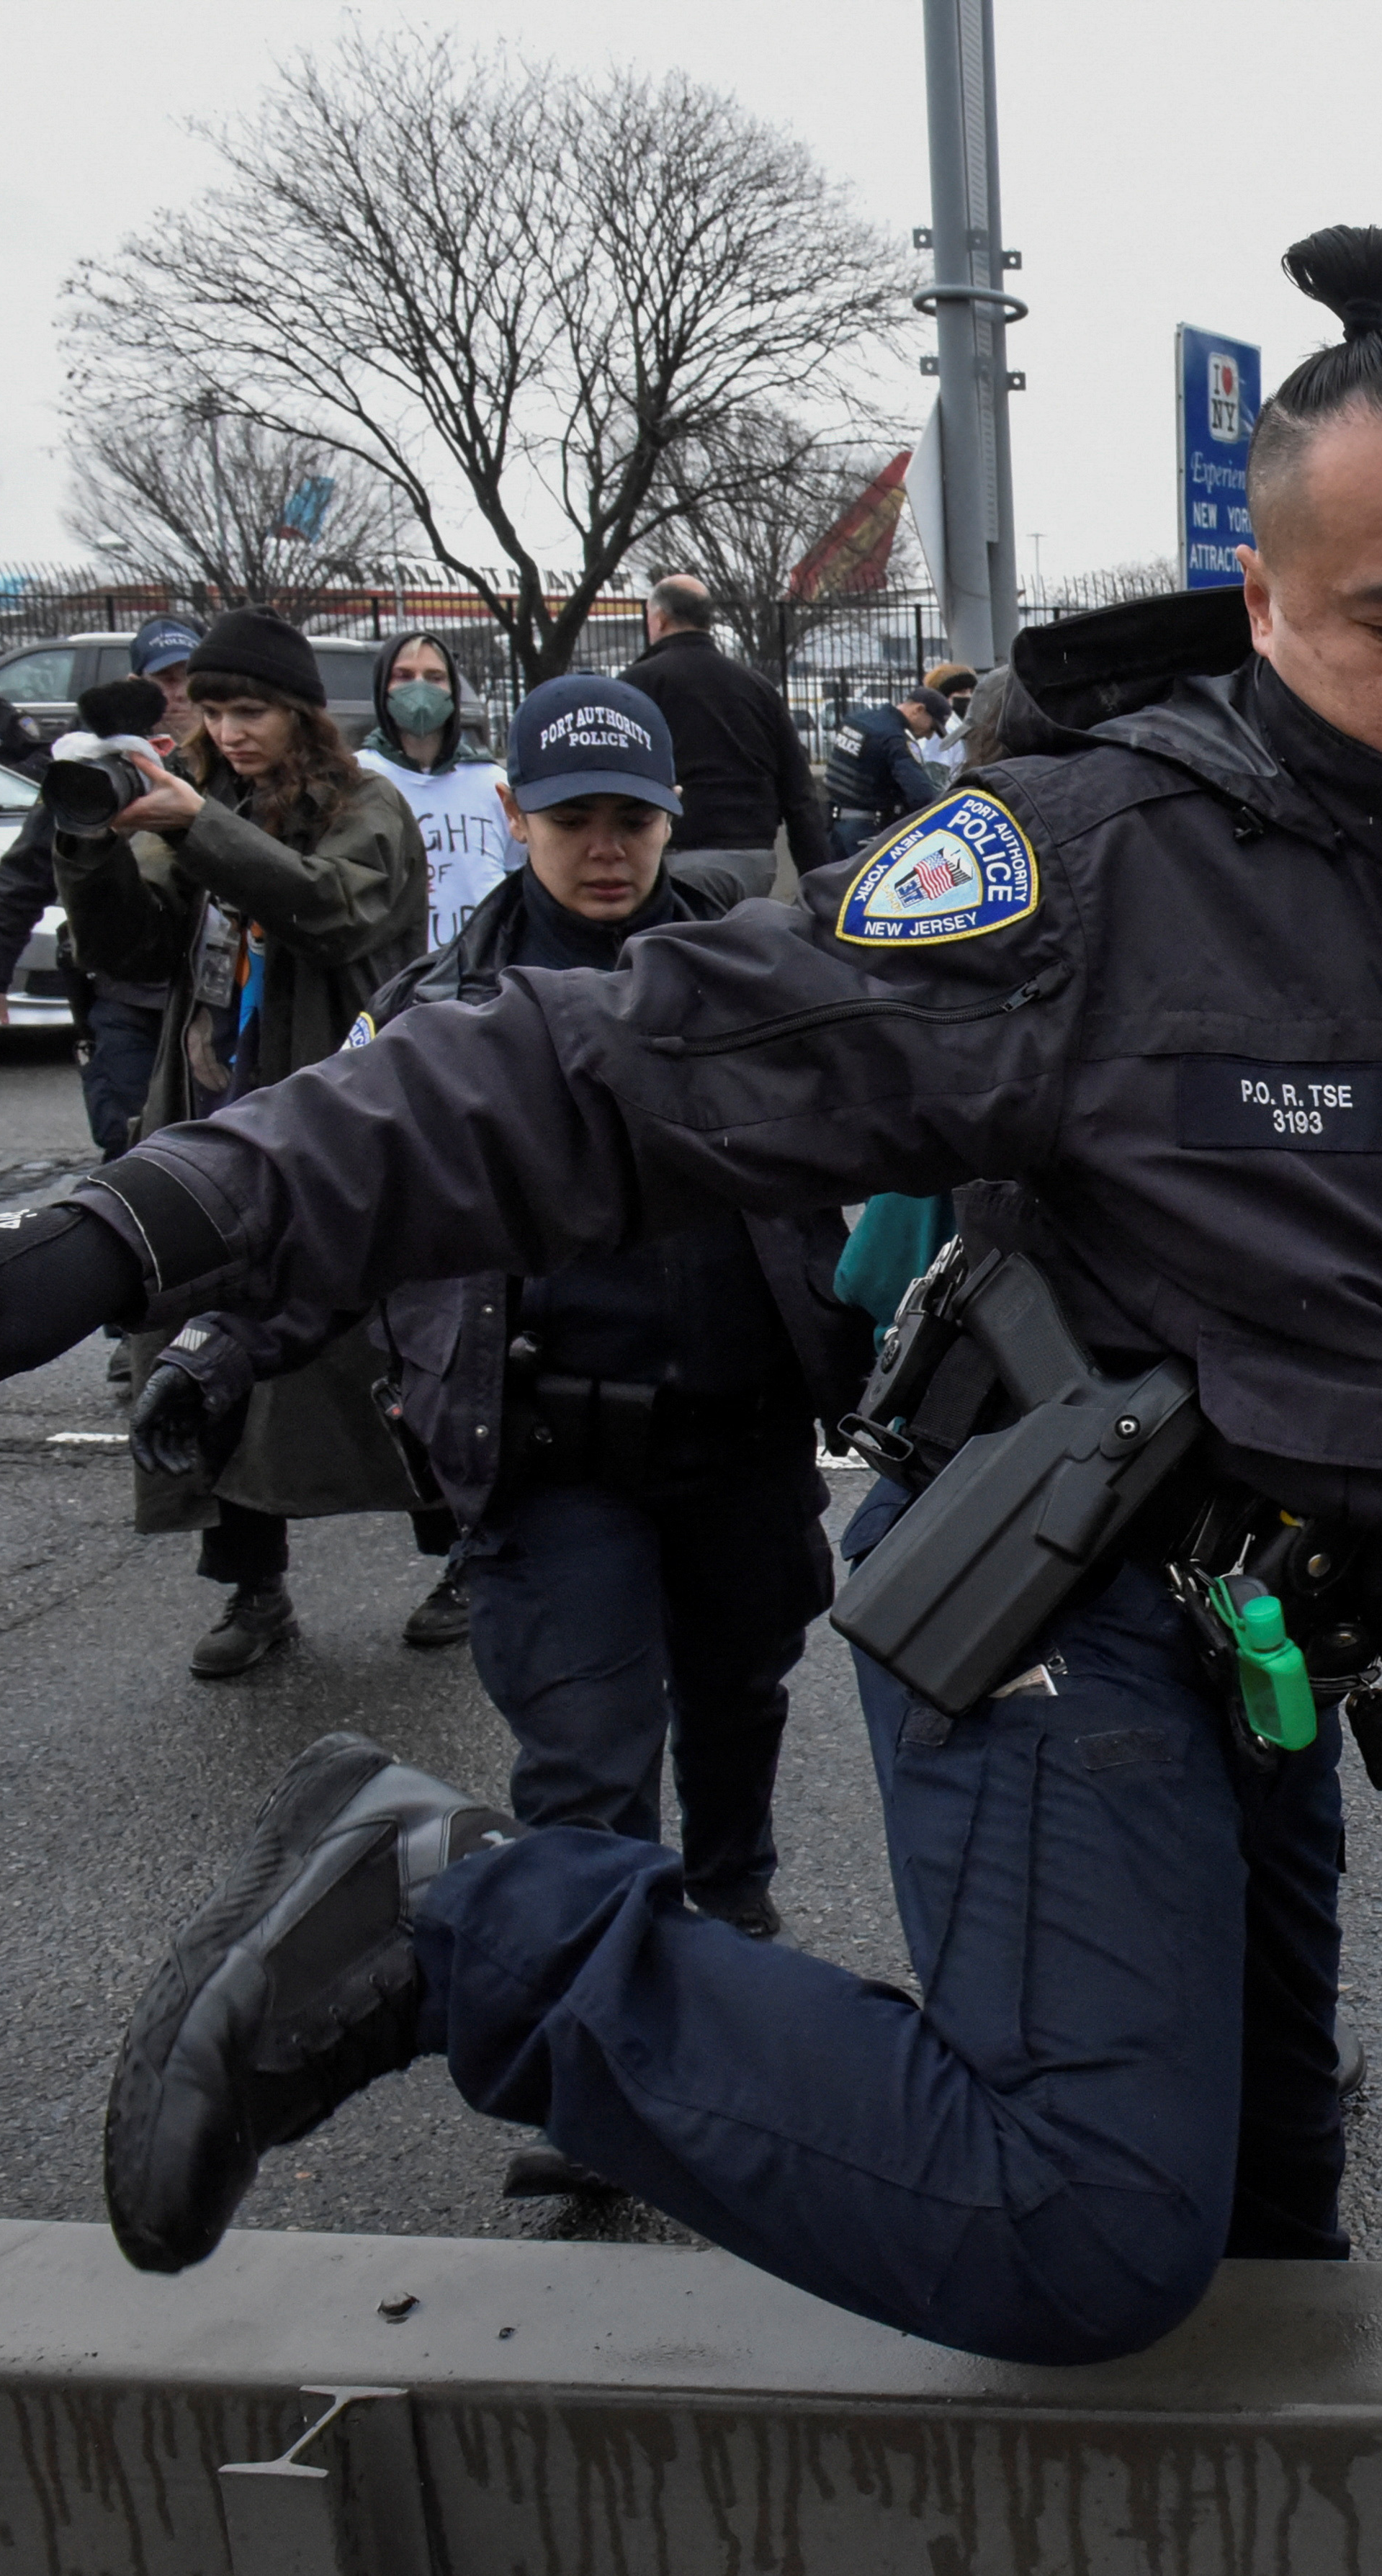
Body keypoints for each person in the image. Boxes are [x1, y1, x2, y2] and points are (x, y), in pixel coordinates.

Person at [0, 225, 1382, 2366]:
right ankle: (462, 1911)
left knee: (1263, 2232)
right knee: (1086, 2225)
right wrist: (127, 1228)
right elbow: (585, 1070)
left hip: (1286, 1636)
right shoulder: (1083, 868)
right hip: (1068, 1598)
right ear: (1267, 608)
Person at [279, 676, 860, 2196]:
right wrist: (226, 1336)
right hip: (547, 1452)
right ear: (519, 817)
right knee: (588, 1765)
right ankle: (601, 2069)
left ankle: (726, 1945)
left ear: (673, 820)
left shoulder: (755, 976)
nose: (607, 849)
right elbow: (329, 1192)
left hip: (736, 1430)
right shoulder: (436, 1011)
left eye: (633, 819)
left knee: (740, 1698)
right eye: (575, 819)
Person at [42, 606, 455, 1677]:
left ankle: (464, 1554)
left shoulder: (367, 804)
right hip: (214, 1111)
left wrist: (193, 827)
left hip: (340, 1110)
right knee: (200, 1346)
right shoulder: (204, 800)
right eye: (215, 708)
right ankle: (251, 1586)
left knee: (387, 1349)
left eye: (251, 708)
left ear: (301, 712)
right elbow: (127, 944)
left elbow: (334, 911)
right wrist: (88, 842)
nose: (229, 729)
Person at [0, 616, 199, 1154]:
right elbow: (25, 872)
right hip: (124, 995)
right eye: (166, 680)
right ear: (139, 687)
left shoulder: (236, 760)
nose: (181, 693)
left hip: (211, 997)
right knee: (132, 1145)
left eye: (191, 677)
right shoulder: (96, 770)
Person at [625, 575, 827, 902]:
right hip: (755, 858)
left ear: (659, 619)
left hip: (679, 850)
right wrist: (818, 882)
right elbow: (799, 792)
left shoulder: (638, 684)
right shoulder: (758, 688)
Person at [356, 634, 511, 943]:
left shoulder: (493, 783)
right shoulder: (356, 779)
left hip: (479, 974)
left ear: (453, 690)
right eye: (403, 676)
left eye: (435, 677)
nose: (420, 688)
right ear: (382, 689)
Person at [822, 686, 944, 855]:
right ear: (919, 710)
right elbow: (922, 795)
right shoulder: (895, 739)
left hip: (832, 827)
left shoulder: (856, 721)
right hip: (865, 832)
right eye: (932, 727)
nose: (929, 736)